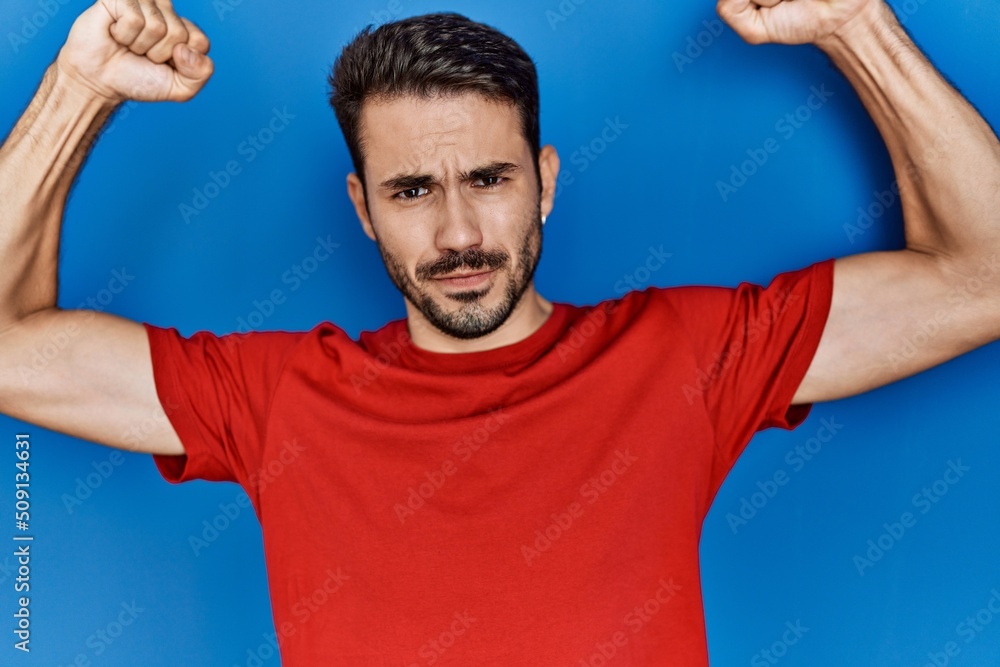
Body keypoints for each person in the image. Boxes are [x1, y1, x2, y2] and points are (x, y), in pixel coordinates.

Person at [0, 0, 997, 663]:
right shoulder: (273, 398)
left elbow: (980, 276)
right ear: (360, 208)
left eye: (489, 178)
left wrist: (857, 24)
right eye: (410, 190)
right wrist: (77, 90)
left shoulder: (684, 355)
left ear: (545, 179)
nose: (459, 233)